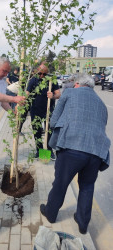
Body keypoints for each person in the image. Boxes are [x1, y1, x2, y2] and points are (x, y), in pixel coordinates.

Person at [40, 73, 110, 234]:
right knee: (87, 186)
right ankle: (82, 222)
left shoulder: (70, 93)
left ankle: (51, 213)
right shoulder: (101, 103)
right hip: (96, 151)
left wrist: (53, 135)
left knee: (61, 182)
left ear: (77, 84)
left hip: (72, 146)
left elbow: (54, 120)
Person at [26, 64, 61, 160]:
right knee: (36, 131)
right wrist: (22, 99)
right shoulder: (33, 80)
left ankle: (49, 150)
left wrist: (52, 95)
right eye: (40, 73)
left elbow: (58, 94)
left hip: (48, 110)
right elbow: (27, 92)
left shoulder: (51, 80)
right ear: (37, 72)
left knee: (49, 131)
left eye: (44, 74)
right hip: (35, 109)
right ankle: (39, 150)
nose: (42, 76)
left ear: (47, 73)